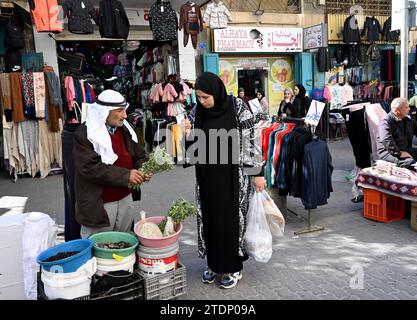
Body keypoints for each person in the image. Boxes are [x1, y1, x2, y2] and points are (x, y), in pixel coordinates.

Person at [182, 72, 266, 289]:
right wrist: (187, 135)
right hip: (207, 178)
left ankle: (233, 267)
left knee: (230, 221)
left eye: (205, 97)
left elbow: (251, 139)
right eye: (199, 97)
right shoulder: (196, 112)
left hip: (233, 178)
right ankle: (213, 264)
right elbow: (192, 153)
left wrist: (257, 173)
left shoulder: (237, 107)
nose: (202, 102)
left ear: (216, 91)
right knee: (210, 220)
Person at [73, 89, 152, 238]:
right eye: (120, 110)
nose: (125, 115)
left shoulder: (124, 130)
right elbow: (90, 168)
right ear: (105, 111)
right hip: (100, 204)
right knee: (99, 248)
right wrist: (126, 175)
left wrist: (144, 168)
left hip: (125, 199)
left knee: (123, 244)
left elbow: (139, 154)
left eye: (125, 110)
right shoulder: (84, 134)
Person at [377, 98, 417, 169]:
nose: (409, 109)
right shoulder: (385, 121)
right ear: (397, 110)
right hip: (389, 153)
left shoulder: (407, 120)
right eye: (406, 107)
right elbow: (386, 139)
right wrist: (399, 153)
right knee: (410, 162)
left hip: (405, 149)